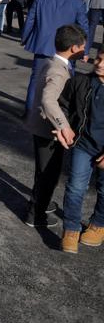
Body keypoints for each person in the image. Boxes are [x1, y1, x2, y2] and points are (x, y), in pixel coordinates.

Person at [22, 23, 86, 230]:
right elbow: (48, 101)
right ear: (74, 48)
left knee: (45, 171)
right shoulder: (58, 71)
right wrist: (64, 126)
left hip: (42, 126)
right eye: (83, 47)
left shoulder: (53, 62)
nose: (85, 50)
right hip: (48, 130)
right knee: (48, 173)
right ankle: (35, 214)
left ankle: (42, 202)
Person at [22, 0, 90, 113]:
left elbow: (30, 20)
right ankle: (58, 113)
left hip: (43, 46)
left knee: (36, 81)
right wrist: (85, 50)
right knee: (64, 82)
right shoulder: (77, 3)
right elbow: (84, 27)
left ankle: (30, 112)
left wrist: (25, 38)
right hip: (67, 50)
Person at [56, 51, 104, 253]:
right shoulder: (80, 81)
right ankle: (71, 229)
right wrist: (63, 126)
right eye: (99, 58)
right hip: (83, 145)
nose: (99, 63)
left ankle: (98, 224)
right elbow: (63, 105)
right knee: (76, 187)